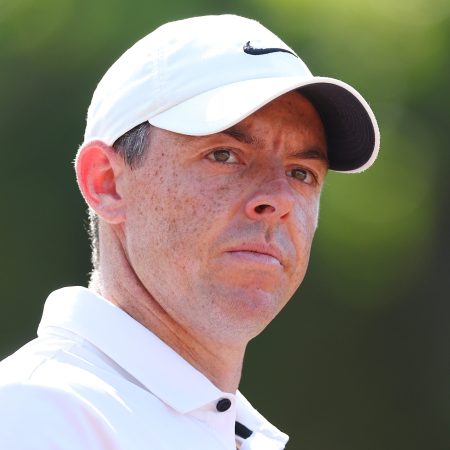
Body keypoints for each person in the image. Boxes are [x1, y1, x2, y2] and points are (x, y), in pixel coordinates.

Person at [0, 14, 379, 450]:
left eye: (301, 172)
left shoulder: (232, 432)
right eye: (224, 155)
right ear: (106, 183)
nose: (279, 199)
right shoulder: (38, 415)